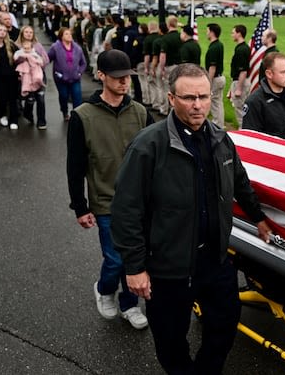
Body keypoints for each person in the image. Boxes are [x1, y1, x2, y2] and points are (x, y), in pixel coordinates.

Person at [110, 63, 272, 374]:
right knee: (170, 339)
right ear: (171, 98)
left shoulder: (220, 139)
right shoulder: (148, 146)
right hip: (169, 268)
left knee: (225, 325)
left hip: (215, 261)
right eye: (188, 98)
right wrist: (135, 267)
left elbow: (240, 181)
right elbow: (125, 210)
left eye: (203, 96)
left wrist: (259, 218)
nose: (198, 105)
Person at [66, 49, 154, 330]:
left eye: (127, 77)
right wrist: (80, 206)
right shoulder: (83, 116)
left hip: (141, 202)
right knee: (116, 259)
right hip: (106, 202)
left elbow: (156, 158)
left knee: (136, 258)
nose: (124, 82)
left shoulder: (140, 112)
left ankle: (129, 304)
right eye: (117, 77)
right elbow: (75, 166)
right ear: (101, 76)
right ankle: (105, 289)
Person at [47, 27, 87, 121]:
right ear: (61, 36)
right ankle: (64, 111)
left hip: (75, 78)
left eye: (70, 34)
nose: (69, 36)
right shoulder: (55, 47)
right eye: (66, 34)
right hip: (61, 78)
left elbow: (83, 63)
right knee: (64, 96)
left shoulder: (77, 48)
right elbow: (48, 59)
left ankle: (76, 116)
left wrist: (79, 73)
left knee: (77, 97)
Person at [15, 26, 49, 129]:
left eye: (31, 32)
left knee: (40, 98)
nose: (29, 34)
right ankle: (27, 114)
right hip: (25, 77)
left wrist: (38, 62)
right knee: (29, 99)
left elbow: (46, 59)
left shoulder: (37, 46)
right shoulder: (17, 45)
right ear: (22, 33)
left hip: (38, 75)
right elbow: (14, 60)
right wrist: (23, 58)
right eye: (26, 32)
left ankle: (41, 122)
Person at [204, 23, 226, 127]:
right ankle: (220, 124)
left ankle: (218, 125)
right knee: (218, 102)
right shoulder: (219, 44)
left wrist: (208, 82)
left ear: (212, 32)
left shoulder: (213, 48)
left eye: (207, 31)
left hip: (215, 78)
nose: (206, 33)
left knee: (215, 104)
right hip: (220, 77)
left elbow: (212, 67)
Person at [229, 24, 251, 127]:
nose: (231, 35)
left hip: (240, 81)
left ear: (239, 34)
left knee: (240, 109)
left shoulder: (241, 50)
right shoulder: (241, 48)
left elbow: (243, 71)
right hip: (239, 80)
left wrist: (238, 88)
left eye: (233, 33)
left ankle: (243, 131)